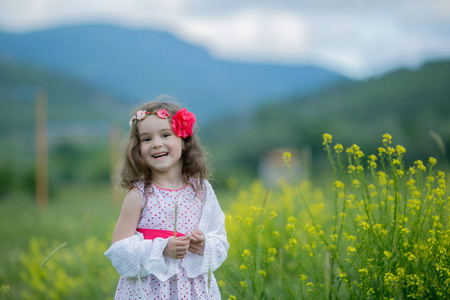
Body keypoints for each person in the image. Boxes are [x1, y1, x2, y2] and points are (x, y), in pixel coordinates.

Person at [105, 98, 228, 299]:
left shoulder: (202, 190)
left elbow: (220, 239)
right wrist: (161, 249)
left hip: (193, 290)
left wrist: (204, 244)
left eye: (165, 134)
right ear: (137, 150)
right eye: (146, 139)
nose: (156, 143)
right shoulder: (139, 195)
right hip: (148, 290)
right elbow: (119, 251)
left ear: (184, 140)